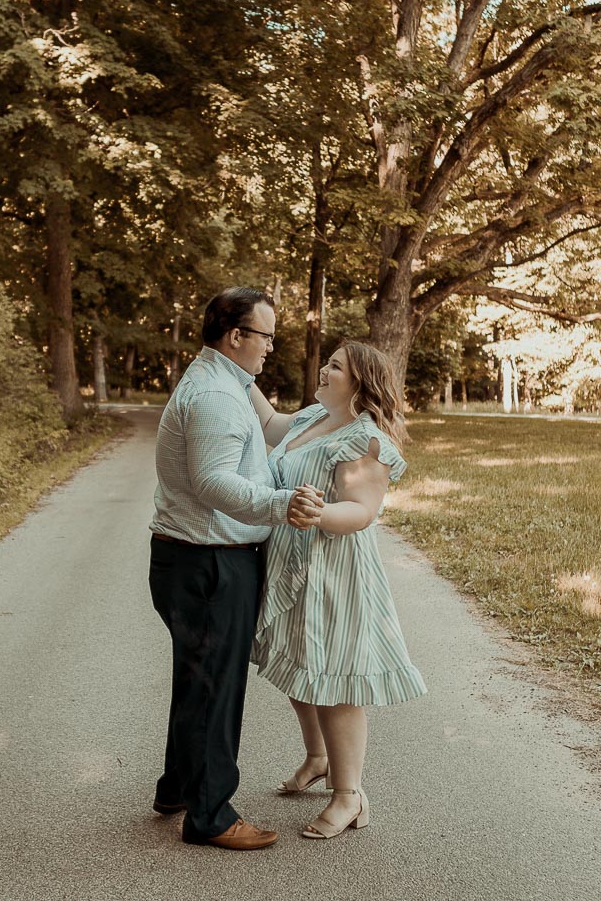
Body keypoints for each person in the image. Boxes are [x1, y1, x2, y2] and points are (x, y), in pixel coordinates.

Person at [149, 287, 324, 851]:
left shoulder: (230, 382)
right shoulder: (216, 396)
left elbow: (274, 430)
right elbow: (213, 482)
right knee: (215, 689)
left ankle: (178, 788)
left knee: (196, 680)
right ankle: (211, 816)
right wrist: (282, 504)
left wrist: (343, 413)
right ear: (235, 336)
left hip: (194, 558)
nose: (271, 347)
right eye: (266, 336)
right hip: (208, 563)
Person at [248, 341, 426, 840]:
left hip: (334, 572)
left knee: (334, 680)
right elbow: (269, 424)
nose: (324, 370)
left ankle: (349, 796)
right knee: (298, 668)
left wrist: (321, 512)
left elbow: (362, 510)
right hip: (291, 564)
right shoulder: (312, 419)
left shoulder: (364, 441)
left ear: (360, 383)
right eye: (327, 362)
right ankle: (318, 757)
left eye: (335, 366)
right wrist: (240, 373)